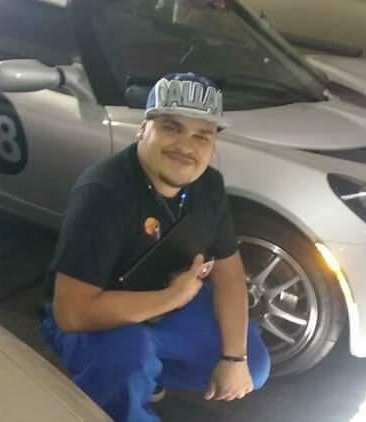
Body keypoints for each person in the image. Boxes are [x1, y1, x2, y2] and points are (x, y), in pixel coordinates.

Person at [40, 72, 271, 422]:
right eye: (172, 128)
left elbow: (230, 275)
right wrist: (173, 297)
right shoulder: (103, 193)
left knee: (254, 364)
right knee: (128, 358)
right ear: (142, 129)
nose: (186, 147)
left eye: (201, 135)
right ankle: (116, 396)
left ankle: (146, 375)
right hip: (97, 312)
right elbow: (71, 314)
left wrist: (234, 359)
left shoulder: (208, 185)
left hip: (166, 301)